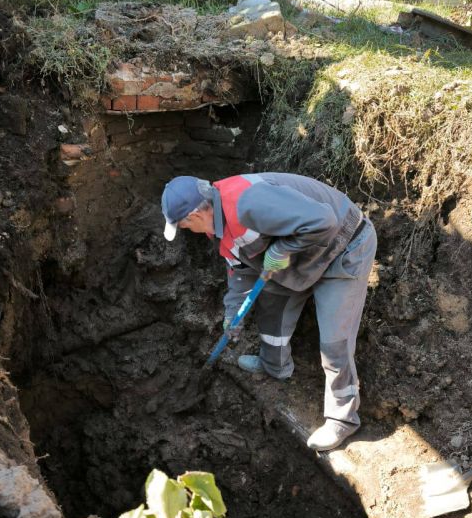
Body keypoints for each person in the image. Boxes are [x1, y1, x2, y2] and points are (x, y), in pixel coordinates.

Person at [161, 173, 377, 451]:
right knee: (272, 309)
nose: (189, 230)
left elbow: (325, 221)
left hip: (343, 247)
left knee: (335, 341)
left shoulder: (249, 202)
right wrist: (232, 314)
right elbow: (239, 273)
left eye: (185, 225)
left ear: (195, 215)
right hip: (301, 261)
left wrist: (282, 249)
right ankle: (275, 366)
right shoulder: (217, 226)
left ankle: (342, 419)